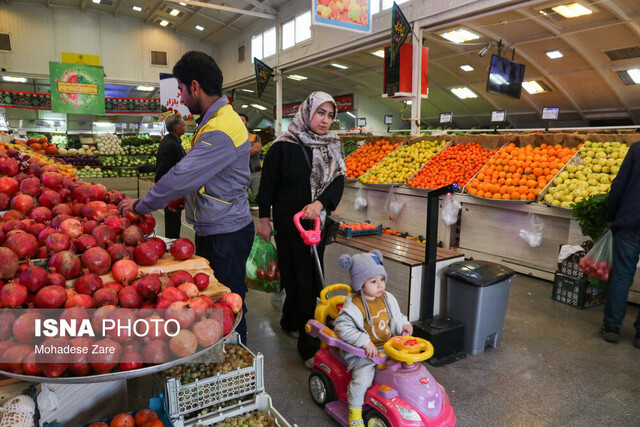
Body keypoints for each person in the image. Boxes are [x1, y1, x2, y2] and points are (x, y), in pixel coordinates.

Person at [118, 51, 254, 344]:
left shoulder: (220, 127)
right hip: (221, 224)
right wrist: (189, 197)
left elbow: (183, 174)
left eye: (180, 89)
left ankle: (237, 357)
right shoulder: (216, 118)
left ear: (195, 87)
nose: (179, 97)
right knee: (221, 299)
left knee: (228, 303)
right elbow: (210, 175)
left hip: (225, 232)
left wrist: (142, 205)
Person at [256, 91, 345, 366]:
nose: (325, 120)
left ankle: (309, 347)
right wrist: (263, 219)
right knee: (293, 275)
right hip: (287, 222)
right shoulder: (283, 145)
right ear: (307, 111)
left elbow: (338, 180)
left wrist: (320, 203)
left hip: (315, 223)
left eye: (330, 115)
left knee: (310, 282)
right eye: (321, 113)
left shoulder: (333, 145)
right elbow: (268, 184)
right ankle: (291, 320)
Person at [334, 250, 413, 427]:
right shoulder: (355, 304)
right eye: (373, 281)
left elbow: (396, 316)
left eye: (382, 279)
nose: (380, 285)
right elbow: (341, 327)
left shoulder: (387, 298)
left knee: (407, 368)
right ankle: (354, 414)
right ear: (360, 284)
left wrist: (404, 325)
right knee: (362, 379)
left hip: (389, 346)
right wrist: (364, 341)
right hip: (364, 353)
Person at [601, 140, 640, 348]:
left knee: (622, 274)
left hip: (631, 220)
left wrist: (611, 215)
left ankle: (612, 327)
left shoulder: (637, 149)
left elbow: (619, 185)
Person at [156, 114, 187, 239]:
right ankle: (173, 244)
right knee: (172, 219)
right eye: (184, 125)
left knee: (174, 219)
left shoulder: (170, 140)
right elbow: (164, 168)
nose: (185, 127)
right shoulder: (171, 144)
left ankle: (174, 242)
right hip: (170, 189)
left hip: (172, 187)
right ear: (177, 128)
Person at [239, 113, 262, 198]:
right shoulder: (234, 138)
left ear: (247, 123)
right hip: (240, 174)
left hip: (255, 173)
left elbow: (256, 149)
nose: (240, 122)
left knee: (258, 196)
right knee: (241, 198)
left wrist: (238, 153)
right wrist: (250, 149)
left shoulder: (255, 137)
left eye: (242, 120)